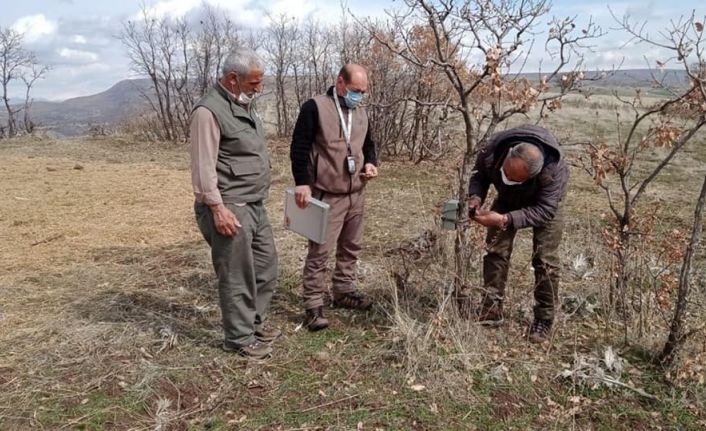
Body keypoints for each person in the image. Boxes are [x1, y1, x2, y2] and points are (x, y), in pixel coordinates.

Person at [190, 47, 279, 359]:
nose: (259, 88)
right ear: (232, 79)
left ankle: (254, 323)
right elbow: (203, 167)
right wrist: (217, 208)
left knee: (266, 267)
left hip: (254, 203)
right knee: (237, 276)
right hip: (229, 207)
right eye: (254, 83)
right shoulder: (208, 111)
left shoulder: (242, 103)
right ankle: (239, 339)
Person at [290, 64, 378, 331]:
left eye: (363, 92)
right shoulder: (314, 107)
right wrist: (302, 183)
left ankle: (343, 291)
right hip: (326, 194)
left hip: (356, 192)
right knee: (320, 252)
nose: (358, 96)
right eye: (354, 91)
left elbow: (368, 145)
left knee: (351, 247)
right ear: (340, 83)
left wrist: (371, 164)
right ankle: (313, 305)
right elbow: (299, 147)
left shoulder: (361, 111)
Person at [467, 125, 569, 343]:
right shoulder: (492, 149)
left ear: (532, 175)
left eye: (514, 178)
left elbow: (545, 210)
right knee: (495, 250)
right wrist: (475, 197)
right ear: (509, 153)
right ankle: (491, 308)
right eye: (505, 172)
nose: (506, 178)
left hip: (544, 206)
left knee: (545, 261)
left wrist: (506, 219)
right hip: (507, 199)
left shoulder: (554, 171)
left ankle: (544, 319)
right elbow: (479, 176)